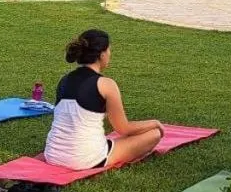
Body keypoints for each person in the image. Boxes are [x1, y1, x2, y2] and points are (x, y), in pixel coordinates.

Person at [43, 29, 164, 169]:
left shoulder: (64, 80)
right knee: (154, 134)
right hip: (84, 160)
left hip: (52, 154)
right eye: (109, 50)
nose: (110, 54)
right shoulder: (106, 84)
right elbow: (123, 129)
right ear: (101, 55)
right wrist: (154, 123)